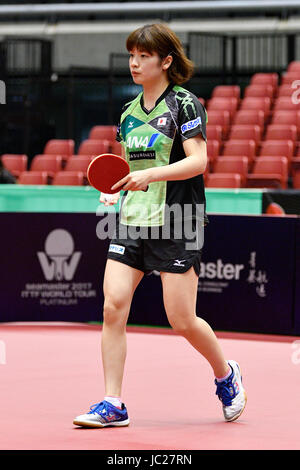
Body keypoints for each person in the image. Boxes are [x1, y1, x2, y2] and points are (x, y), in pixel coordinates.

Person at [73, 23, 246, 428]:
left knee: (181, 319)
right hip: (132, 221)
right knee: (113, 306)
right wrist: (116, 193)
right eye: (132, 55)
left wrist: (150, 177)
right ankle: (112, 403)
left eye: (144, 56)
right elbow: (128, 169)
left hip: (177, 219)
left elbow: (198, 162)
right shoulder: (128, 113)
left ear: (166, 61)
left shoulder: (186, 104)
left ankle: (226, 374)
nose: (134, 63)